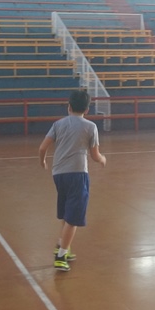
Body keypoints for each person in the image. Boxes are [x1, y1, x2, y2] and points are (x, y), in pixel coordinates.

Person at [39, 90, 107, 272]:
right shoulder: (91, 127)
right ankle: (61, 256)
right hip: (77, 175)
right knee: (74, 218)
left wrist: (43, 161)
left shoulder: (58, 124)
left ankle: (63, 245)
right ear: (87, 109)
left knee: (67, 213)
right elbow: (94, 155)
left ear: (68, 107)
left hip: (58, 174)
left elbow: (42, 148)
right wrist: (102, 159)